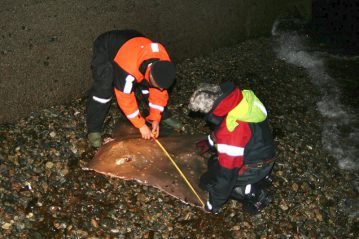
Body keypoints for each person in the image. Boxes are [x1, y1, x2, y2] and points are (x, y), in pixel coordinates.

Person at [188, 81, 276, 214]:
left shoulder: (231, 133)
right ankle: (261, 178)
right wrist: (210, 141)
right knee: (214, 162)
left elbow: (227, 175)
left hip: (254, 167)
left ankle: (249, 191)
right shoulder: (243, 100)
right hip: (265, 151)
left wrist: (214, 204)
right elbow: (227, 122)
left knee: (207, 182)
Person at [86, 29, 181, 148]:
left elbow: (159, 93)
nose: (160, 89)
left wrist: (156, 118)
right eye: (157, 86)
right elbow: (125, 100)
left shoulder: (164, 63)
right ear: (149, 74)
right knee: (103, 90)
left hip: (134, 41)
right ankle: (93, 129)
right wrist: (140, 125)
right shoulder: (128, 70)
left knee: (151, 91)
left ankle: (163, 115)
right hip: (107, 46)